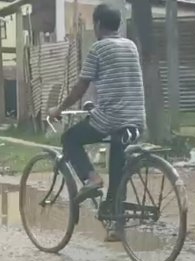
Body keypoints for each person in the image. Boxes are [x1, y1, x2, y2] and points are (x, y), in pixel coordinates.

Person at [49, 3, 145, 242]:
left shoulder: (99, 48)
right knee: (118, 166)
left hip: (113, 118)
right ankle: (117, 225)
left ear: (98, 24)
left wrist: (59, 108)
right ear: (119, 25)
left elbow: (82, 86)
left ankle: (92, 179)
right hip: (136, 119)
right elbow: (116, 82)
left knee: (70, 138)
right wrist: (94, 105)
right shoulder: (130, 45)